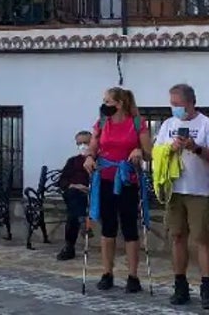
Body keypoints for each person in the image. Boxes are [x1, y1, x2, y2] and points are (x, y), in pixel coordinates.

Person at [154, 83, 209, 309]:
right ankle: (180, 285)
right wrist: (169, 149)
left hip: (199, 191)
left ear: (191, 103)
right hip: (175, 190)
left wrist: (196, 148)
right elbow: (156, 152)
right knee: (177, 237)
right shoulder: (168, 125)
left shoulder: (207, 125)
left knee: (202, 239)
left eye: (178, 105)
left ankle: (207, 288)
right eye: (172, 105)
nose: (175, 109)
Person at [83, 87, 151, 293]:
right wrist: (89, 157)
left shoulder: (138, 124)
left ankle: (133, 275)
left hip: (128, 179)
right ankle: (107, 273)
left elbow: (149, 153)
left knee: (130, 227)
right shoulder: (102, 122)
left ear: (119, 104)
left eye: (107, 101)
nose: (104, 105)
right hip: (105, 178)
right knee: (108, 227)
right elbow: (93, 147)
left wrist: (139, 150)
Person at [55, 131, 92, 261]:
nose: (82, 146)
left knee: (73, 213)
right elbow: (62, 181)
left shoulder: (97, 160)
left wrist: (89, 189)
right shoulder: (72, 161)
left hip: (91, 195)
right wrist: (75, 186)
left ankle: (69, 247)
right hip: (74, 194)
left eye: (86, 143)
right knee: (73, 196)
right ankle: (82, 220)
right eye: (79, 143)